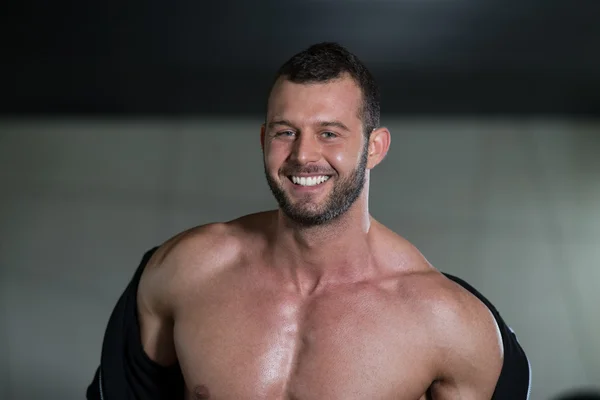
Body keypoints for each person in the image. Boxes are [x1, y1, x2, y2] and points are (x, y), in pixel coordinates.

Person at [87, 42, 530, 399]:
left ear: (374, 148)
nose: (303, 155)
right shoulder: (185, 271)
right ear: (264, 139)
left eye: (329, 133)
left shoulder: (447, 323)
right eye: (285, 131)